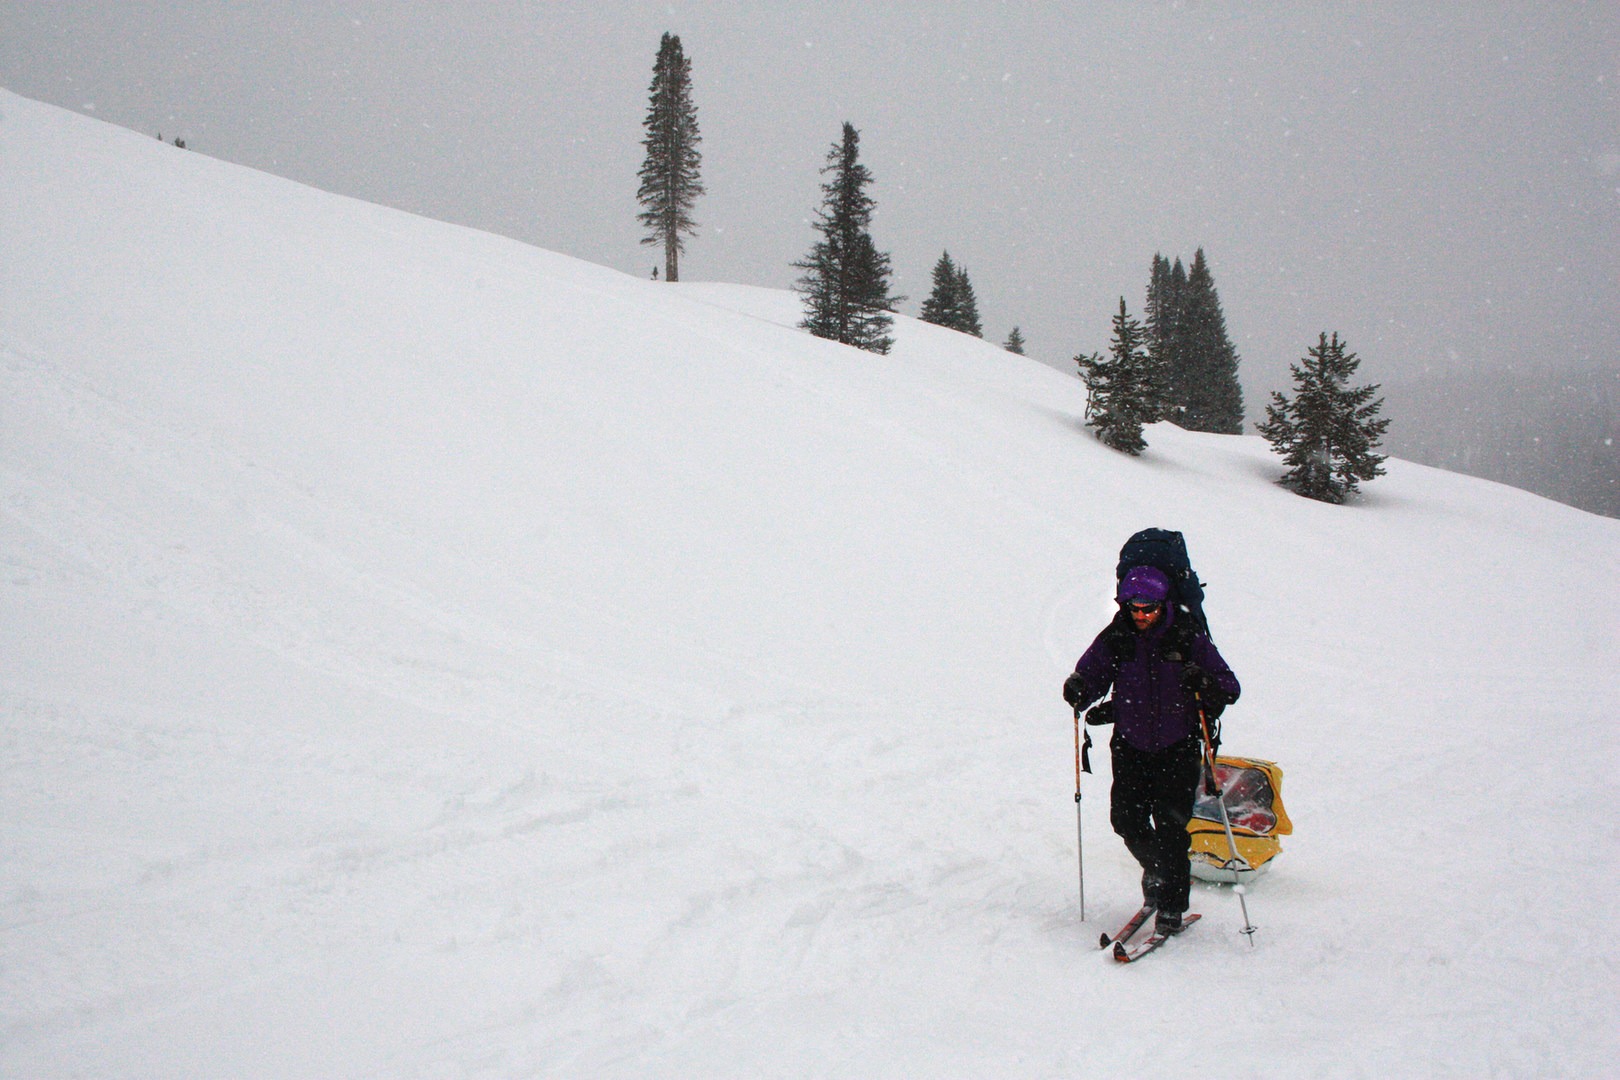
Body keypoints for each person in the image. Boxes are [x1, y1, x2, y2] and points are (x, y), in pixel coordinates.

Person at [1063, 565, 1240, 935]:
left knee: (1171, 827)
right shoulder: (1117, 636)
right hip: (1131, 745)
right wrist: (1080, 686)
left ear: (1163, 605)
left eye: (1149, 609)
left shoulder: (1187, 636)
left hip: (1178, 745)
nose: (1141, 616)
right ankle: (1160, 874)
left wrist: (1202, 679)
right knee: (1125, 821)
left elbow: (1228, 686)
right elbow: (1092, 673)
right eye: (1134, 608)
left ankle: (1172, 905)